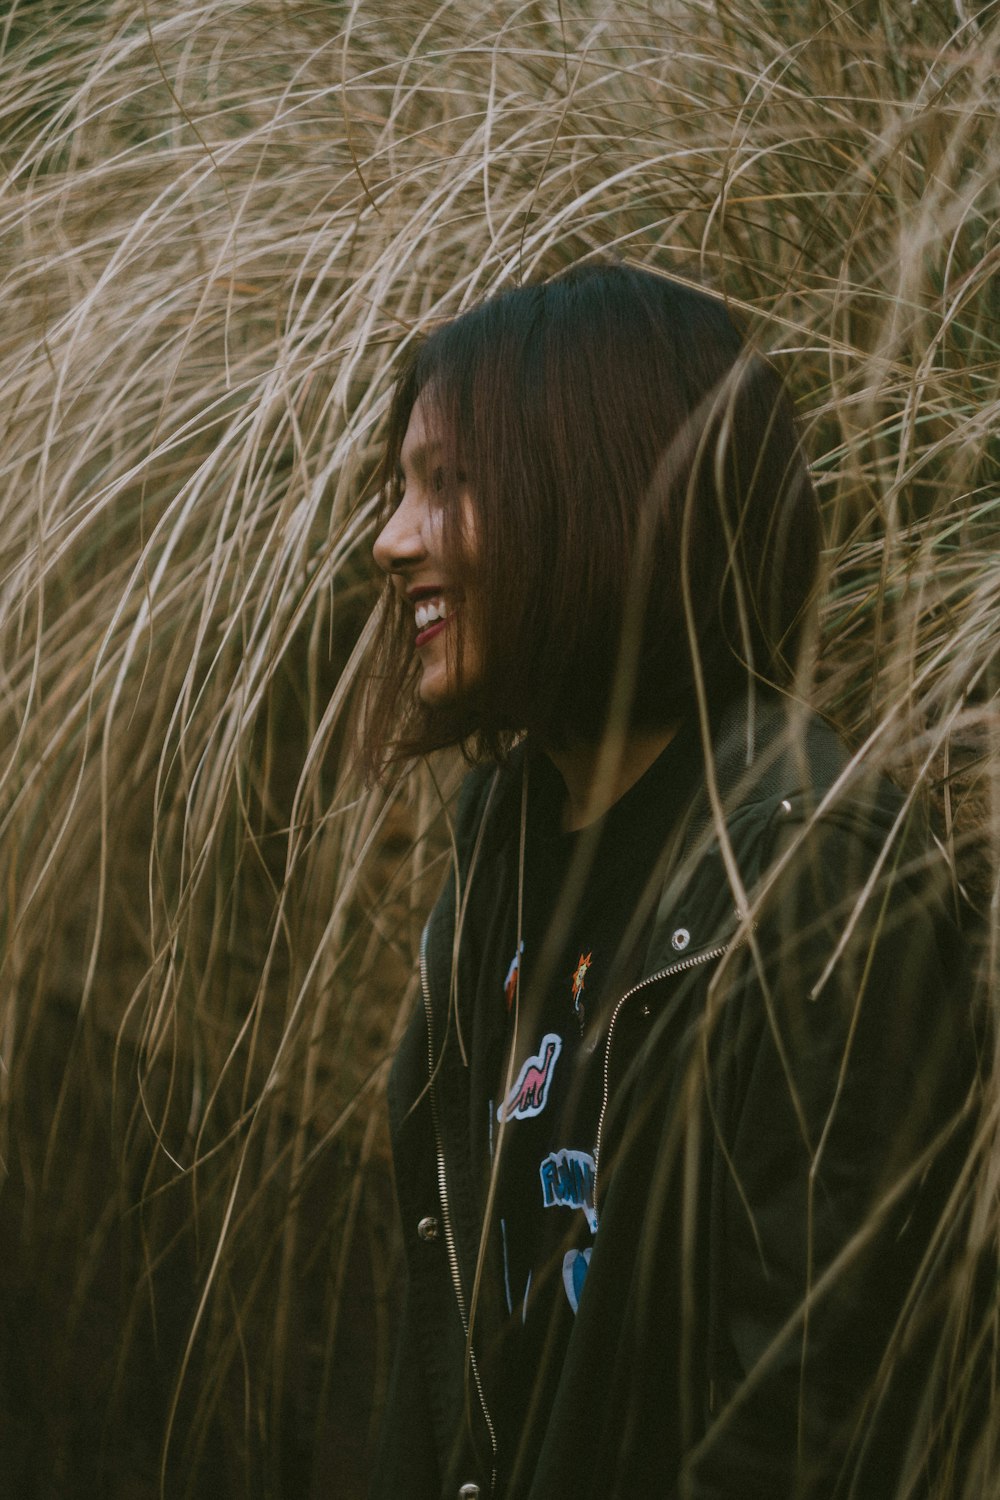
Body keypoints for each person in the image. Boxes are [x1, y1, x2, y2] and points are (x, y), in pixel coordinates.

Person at [363, 263, 978, 1499]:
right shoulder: (510, 827)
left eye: (449, 485)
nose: (392, 539)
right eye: (398, 489)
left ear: (591, 496)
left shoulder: (814, 876)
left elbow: (792, 1425)